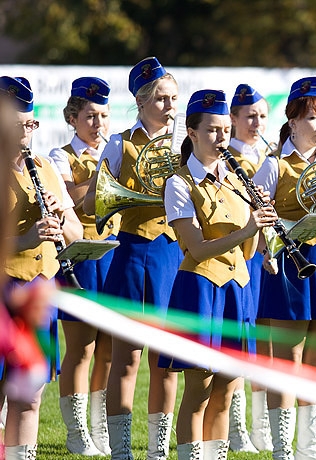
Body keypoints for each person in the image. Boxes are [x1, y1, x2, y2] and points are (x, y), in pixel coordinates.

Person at [159, 89, 278, 460]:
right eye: (212, 130)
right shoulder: (179, 183)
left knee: (227, 389)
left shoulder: (237, 180)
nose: (222, 138)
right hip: (200, 288)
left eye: (226, 130)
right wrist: (246, 229)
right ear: (192, 133)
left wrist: (262, 233)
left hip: (237, 289)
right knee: (199, 389)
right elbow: (195, 248)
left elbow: (245, 250)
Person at [83, 56, 182, 460]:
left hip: (175, 254)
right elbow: (93, 203)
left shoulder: (185, 142)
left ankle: (158, 450)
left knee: (169, 361)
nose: (170, 106)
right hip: (134, 252)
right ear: (141, 102)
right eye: (161, 99)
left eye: (174, 98)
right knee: (127, 358)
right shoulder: (119, 142)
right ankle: (122, 451)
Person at [252, 76, 316, 460]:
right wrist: (267, 249)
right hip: (288, 263)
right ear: (293, 120)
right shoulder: (273, 165)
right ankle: (283, 449)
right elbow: (258, 219)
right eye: (313, 119)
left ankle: (310, 446)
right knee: (287, 359)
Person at [0, 76, 83, 460]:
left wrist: (61, 215)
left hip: (38, 292)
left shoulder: (45, 167)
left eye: (32, 124)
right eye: (19, 124)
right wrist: (27, 239)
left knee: (30, 395)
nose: (27, 132)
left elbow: (76, 231)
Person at [48, 76, 119, 456]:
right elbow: (69, 199)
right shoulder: (61, 156)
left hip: (113, 255)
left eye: (104, 116)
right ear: (73, 118)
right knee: (81, 347)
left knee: (108, 349)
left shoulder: (113, 150)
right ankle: (76, 431)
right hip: (81, 257)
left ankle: (99, 427)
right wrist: (104, 175)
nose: (99, 124)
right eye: (90, 116)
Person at [226, 83, 273, 453]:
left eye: (262, 116)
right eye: (250, 116)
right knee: (243, 339)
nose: (256, 123)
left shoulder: (271, 155)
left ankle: (263, 426)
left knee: (266, 342)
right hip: (240, 255)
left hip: (269, 257)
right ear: (233, 119)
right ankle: (236, 425)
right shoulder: (227, 158)